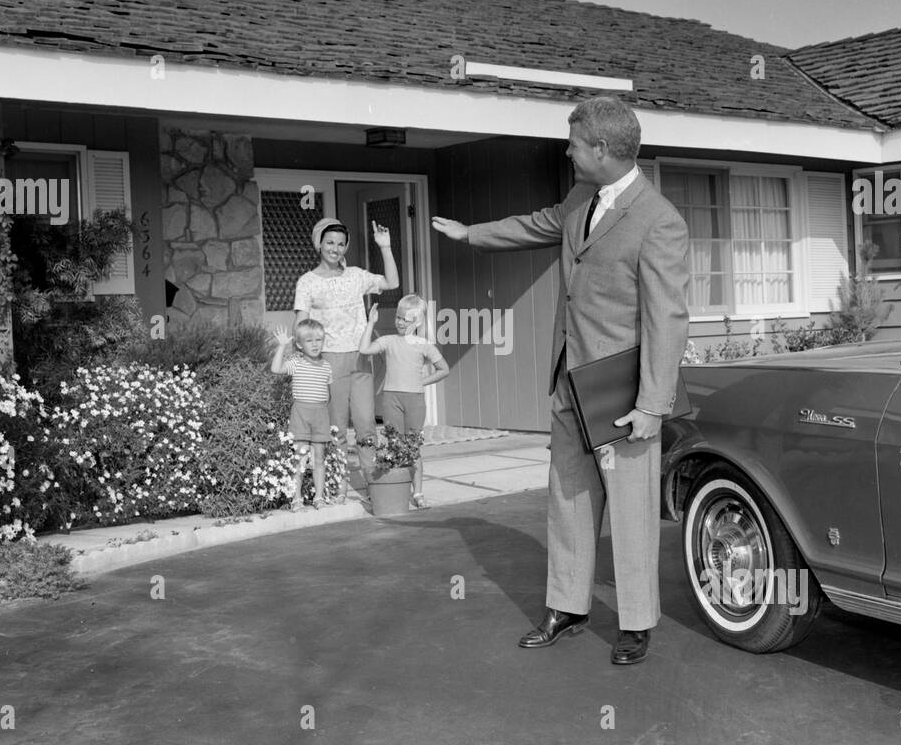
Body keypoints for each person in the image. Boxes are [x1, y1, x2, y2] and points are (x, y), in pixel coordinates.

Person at [432, 95, 690, 666]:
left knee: (631, 508)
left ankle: (636, 622)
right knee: (568, 497)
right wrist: (470, 233)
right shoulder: (581, 197)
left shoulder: (659, 221)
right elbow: (539, 225)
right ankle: (568, 607)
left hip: (621, 393)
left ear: (602, 149)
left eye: (574, 144)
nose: (567, 152)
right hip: (568, 379)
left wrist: (652, 404)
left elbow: (667, 318)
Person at [294, 217, 400, 503]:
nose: (335, 249)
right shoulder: (307, 282)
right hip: (328, 361)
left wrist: (385, 247)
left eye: (341, 244)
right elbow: (300, 326)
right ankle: (339, 484)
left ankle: (374, 482)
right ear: (319, 244)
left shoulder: (356, 275)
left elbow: (392, 282)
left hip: (360, 358)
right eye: (330, 243)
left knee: (366, 423)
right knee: (337, 426)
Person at [358, 294, 450, 508]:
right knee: (394, 445)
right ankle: (397, 489)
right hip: (392, 399)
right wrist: (371, 323)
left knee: (413, 448)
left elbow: (444, 369)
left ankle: (417, 493)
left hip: (415, 401)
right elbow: (364, 349)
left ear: (416, 322)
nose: (399, 322)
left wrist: (422, 381)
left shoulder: (424, 345)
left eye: (405, 319)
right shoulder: (388, 341)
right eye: (398, 317)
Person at [270, 318, 333, 509]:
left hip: (320, 414)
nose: (315, 345)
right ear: (299, 344)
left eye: (318, 340)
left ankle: (319, 497)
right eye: (309, 341)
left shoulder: (327, 366)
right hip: (301, 413)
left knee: (319, 458)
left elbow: (328, 395)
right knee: (300, 457)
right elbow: (275, 369)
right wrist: (282, 346)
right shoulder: (296, 363)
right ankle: (296, 498)